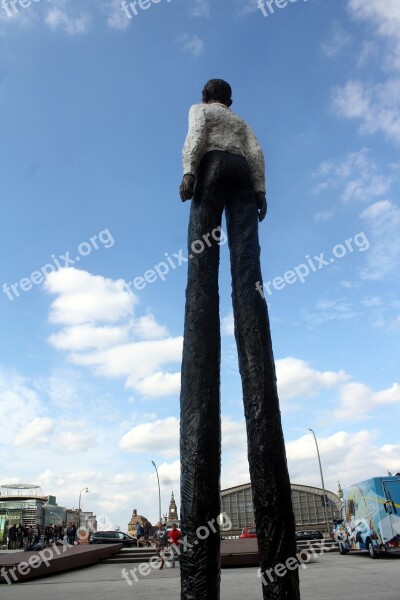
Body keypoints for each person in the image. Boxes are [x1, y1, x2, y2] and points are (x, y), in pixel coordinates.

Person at [179, 79, 299, 600]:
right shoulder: (243, 124)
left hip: (213, 170)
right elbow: (257, 152)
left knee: (202, 268)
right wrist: (263, 193)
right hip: (245, 178)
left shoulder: (202, 113)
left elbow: (195, 137)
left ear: (208, 95)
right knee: (246, 274)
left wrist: (188, 172)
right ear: (231, 97)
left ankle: (198, 588)